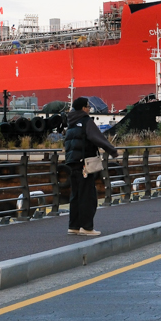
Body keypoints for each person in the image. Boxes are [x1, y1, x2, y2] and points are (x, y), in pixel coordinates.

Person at [64, 97, 118, 236]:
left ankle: (74, 226)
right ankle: (87, 227)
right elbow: (97, 138)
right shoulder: (86, 121)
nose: (89, 109)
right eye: (88, 107)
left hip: (72, 163)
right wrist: (112, 150)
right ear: (83, 108)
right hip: (85, 164)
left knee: (75, 195)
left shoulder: (71, 123)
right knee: (88, 195)